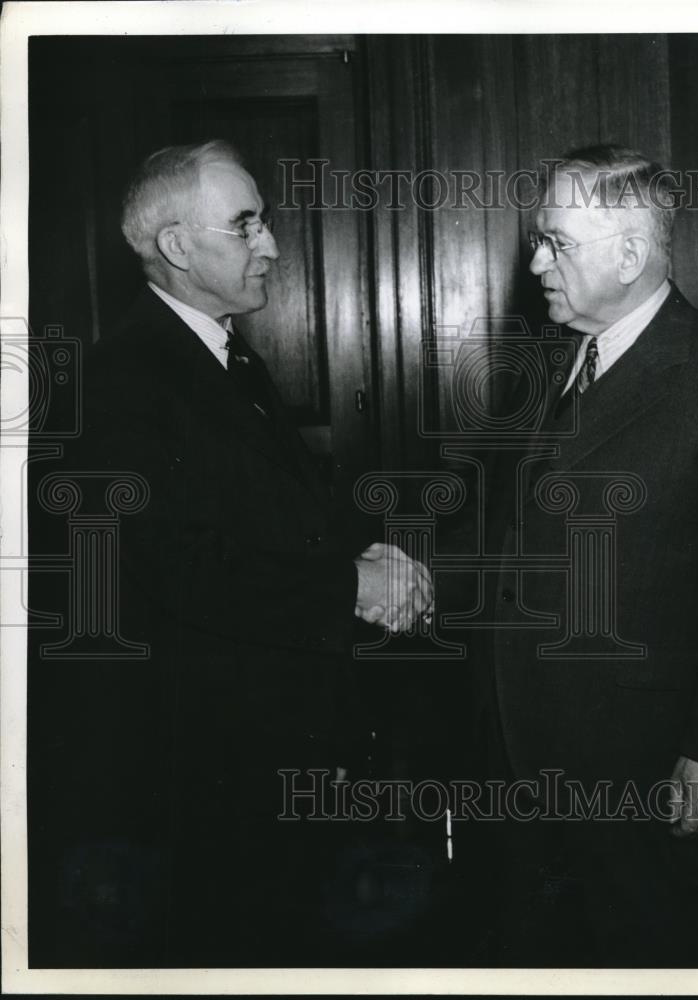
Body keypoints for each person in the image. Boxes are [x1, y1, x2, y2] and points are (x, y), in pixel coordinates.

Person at [27, 140, 431, 966]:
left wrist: (367, 555)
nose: (271, 245)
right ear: (176, 247)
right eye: (245, 225)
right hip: (206, 767)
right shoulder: (124, 383)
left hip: (265, 739)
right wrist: (350, 583)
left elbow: (267, 516)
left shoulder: (219, 354)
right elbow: (181, 568)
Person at [462, 146, 698, 965]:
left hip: (643, 755)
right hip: (532, 740)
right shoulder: (562, 356)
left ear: (631, 253)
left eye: (555, 243)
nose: (535, 261)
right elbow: (520, 540)